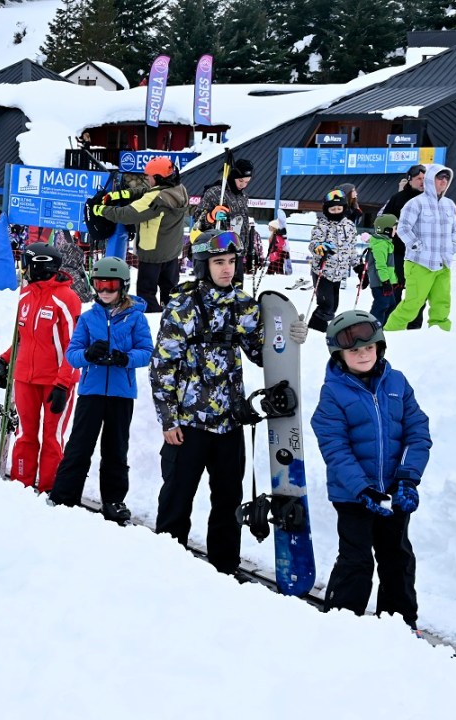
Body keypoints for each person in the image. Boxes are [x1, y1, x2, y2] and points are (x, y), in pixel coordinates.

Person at [150, 229, 308, 575]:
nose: (227, 269)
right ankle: (166, 567)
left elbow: (263, 354)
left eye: (232, 262)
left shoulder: (243, 305)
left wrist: (289, 335)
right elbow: (162, 364)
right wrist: (169, 418)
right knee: (177, 497)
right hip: (189, 423)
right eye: (219, 262)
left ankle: (224, 568)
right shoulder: (184, 305)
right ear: (203, 266)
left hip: (229, 422)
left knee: (228, 500)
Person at [310, 310, 430, 629]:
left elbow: (418, 432)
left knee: (397, 558)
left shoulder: (397, 383)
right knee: (357, 559)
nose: (363, 354)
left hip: (393, 491)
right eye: (353, 350)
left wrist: (407, 479)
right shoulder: (333, 393)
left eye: (368, 347)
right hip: (353, 496)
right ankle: (342, 623)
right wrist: (361, 488)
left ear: (379, 347)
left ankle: (399, 625)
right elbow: (335, 448)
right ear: (339, 354)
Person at [48, 257, 153, 523]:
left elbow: (146, 352)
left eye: (111, 285)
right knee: (80, 445)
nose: (105, 290)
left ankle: (114, 500)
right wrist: (88, 354)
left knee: (115, 448)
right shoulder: (87, 318)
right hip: (91, 392)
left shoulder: (135, 318)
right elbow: (72, 354)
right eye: (99, 284)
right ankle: (65, 494)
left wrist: (125, 358)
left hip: (121, 394)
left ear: (123, 286)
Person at [0, 243, 82, 493]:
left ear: (40, 266)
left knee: (52, 438)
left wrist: (63, 384)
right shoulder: (26, 295)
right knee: (25, 434)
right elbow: (22, 336)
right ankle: (20, 484)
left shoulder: (66, 299)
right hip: (25, 378)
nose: (24, 270)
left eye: (27, 264)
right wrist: (6, 360)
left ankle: (48, 489)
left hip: (55, 381)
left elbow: (73, 345)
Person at [93, 156, 188, 312]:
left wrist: (100, 210)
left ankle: (153, 318)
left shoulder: (155, 199)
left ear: (158, 178)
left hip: (152, 253)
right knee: (170, 290)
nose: (147, 179)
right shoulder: (179, 189)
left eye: (149, 177)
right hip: (171, 252)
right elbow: (148, 191)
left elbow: (126, 214)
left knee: (146, 293)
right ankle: (172, 316)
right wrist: (121, 194)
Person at [384, 165, 456, 332]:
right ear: (431, 180)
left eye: (446, 178)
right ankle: (390, 334)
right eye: (440, 177)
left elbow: (454, 229)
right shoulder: (415, 203)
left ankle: (440, 336)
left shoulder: (449, 205)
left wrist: (452, 246)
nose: (444, 181)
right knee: (412, 304)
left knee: (442, 303)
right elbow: (403, 228)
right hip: (420, 263)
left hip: (443, 263)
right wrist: (417, 246)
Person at [381, 164, 426, 329]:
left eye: (425, 178)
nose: (422, 182)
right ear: (410, 180)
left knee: (418, 294)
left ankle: (414, 328)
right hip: (399, 253)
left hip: (421, 256)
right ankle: (390, 327)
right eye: (419, 178)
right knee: (395, 292)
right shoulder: (398, 198)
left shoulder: (431, 199)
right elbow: (383, 221)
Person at [306, 188, 357, 332]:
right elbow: (313, 244)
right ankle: (315, 330)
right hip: (323, 272)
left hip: (339, 274)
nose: (336, 212)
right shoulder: (322, 226)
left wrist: (357, 266)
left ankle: (319, 330)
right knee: (326, 306)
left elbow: (352, 249)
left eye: (339, 209)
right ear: (326, 210)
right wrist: (319, 248)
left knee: (333, 306)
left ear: (344, 208)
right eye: (332, 209)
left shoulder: (349, 226)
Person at [362, 214, 400, 325]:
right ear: (387, 230)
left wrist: (393, 280)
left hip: (385, 281)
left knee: (391, 304)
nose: (396, 231)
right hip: (380, 282)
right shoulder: (380, 244)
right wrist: (386, 281)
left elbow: (389, 266)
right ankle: (372, 326)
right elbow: (381, 265)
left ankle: (380, 326)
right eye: (394, 228)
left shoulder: (386, 243)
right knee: (382, 304)